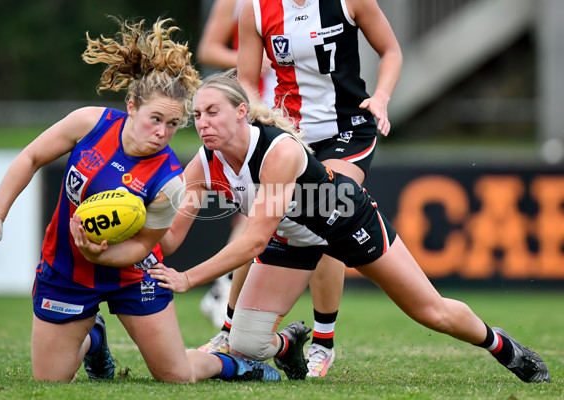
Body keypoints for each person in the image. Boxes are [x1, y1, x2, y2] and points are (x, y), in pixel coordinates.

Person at [148, 71, 550, 384]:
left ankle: (503, 347)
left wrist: (187, 279)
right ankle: (289, 344)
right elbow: (171, 232)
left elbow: (252, 241)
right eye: (197, 115)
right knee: (246, 345)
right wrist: (126, 237)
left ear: (240, 112)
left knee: (432, 313)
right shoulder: (203, 163)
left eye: (212, 112)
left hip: (344, 221)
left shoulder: (278, 151)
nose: (202, 123)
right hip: (292, 237)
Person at [0, 18, 280, 384]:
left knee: (176, 375)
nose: (162, 132)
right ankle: (93, 338)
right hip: (67, 268)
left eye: (172, 124)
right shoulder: (90, 123)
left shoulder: (170, 181)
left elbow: (143, 246)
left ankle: (234, 364)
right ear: (131, 107)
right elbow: (30, 159)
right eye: (155, 119)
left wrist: (98, 254)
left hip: (134, 274)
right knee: (51, 382)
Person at [197, 0, 404, 378]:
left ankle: (323, 343)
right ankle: (229, 330)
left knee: (326, 216)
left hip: (347, 133)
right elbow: (245, 81)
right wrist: (256, 123)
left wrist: (382, 96)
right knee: (256, 227)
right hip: (288, 135)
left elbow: (390, 50)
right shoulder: (256, 10)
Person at [194, 0, 275, 331]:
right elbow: (208, 49)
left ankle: (223, 288)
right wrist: (254, 62)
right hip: (257, 106)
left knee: (266, 207)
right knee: (258, 206)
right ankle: (222, 287)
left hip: (296, 108)